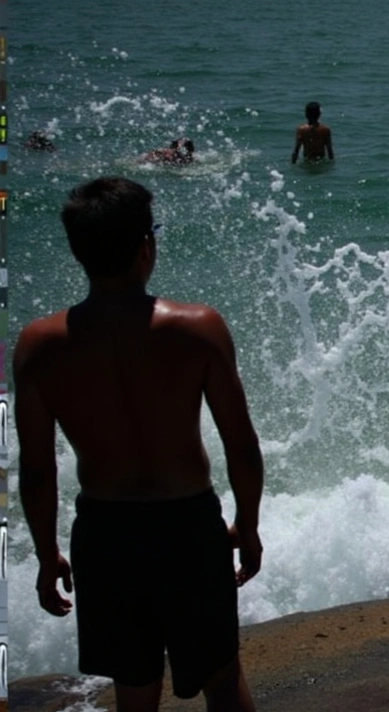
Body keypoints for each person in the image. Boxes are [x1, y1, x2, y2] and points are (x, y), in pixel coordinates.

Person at [16, 177, 264, 711]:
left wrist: (45, 554)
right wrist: (248, 523)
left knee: (134, 692)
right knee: (222, 680)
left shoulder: (39, 345)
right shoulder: (198, 328)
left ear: (78, 249)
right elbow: (241, 445)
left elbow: (36, 471)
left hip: (106, 536)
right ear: (146, 246)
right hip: (189, 529)